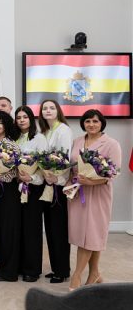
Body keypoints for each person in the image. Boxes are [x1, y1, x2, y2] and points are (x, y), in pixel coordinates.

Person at [68, 110, 121, 291]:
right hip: (78, 193)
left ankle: (76, 276)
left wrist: (91, 181)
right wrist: (69, 184)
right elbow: (71, 167)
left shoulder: (112, 144)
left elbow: (113, 173)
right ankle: (94, 273)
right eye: (88, 121)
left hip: (98, 193)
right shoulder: (77, 141)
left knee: (91, 234)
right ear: (83, 123)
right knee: (89, 235)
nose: (91, 124)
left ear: (102, 123)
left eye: (95, 121)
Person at [39, 99, 73, 284]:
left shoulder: (63, 130)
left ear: (58, 111)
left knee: (59, 230)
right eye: (45, 108)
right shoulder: (45, 131)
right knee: (50, 229)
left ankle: (62, 270)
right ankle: (55, 268)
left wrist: (57, 179)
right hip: (47, 183)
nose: (48, 110)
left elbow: (64, 158)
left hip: (58, 185)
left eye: (52, 108)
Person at [0, 110, 22, 282]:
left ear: (6, 125)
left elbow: (16, 170)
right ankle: (2, 265)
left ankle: (10, 271)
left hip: (8, 190)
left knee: (8, 230)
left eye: (0, 122)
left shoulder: (11, 144)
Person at [15, 105, 48, 282]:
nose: (21, 120)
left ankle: (32, 269)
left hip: (33, 188)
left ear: (31, 119)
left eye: (25, 117)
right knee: (19, 228)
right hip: (17, 188)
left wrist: (31, 177)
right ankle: (20, 265)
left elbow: (44, 165)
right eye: (18, 117)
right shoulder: (15, 137)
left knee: (31, 229)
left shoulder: (39, 138)